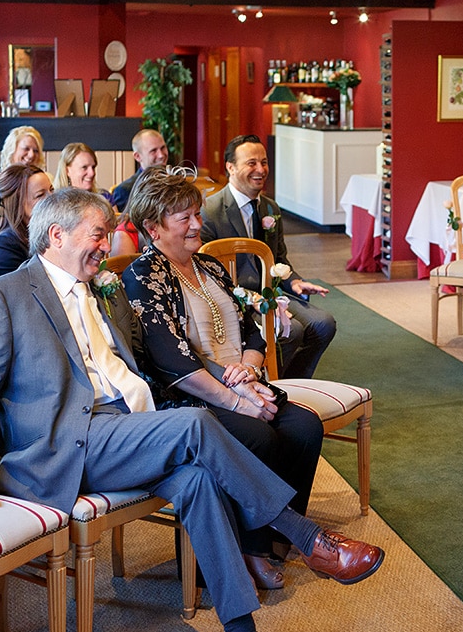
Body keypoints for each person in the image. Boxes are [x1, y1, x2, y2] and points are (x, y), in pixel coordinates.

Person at [0, 187, 384, 632]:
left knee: (197, 479)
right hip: (64, 446)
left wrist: (234, 379)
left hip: (127, 427)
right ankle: (309, 539)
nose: (106, 246)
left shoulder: (100, 290)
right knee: (194, 425)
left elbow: (145, 363)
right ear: (56, 235)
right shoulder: (4, 295)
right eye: (97, 234)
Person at [123, 165, 324, 590]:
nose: (198, 224)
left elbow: (252, 326)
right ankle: (246, 550)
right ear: (153, 228)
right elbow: (171, 364)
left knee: (305, 426)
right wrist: (237, 399)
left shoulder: (210, 266)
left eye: (197, 213)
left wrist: (250, 370)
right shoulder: (144, 276)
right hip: (189, 398)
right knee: (259, 433)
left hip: (242, 382)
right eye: (185, 218)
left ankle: (274, 537)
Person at [201, 134, 337, 378]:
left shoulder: (270, 208)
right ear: (230, 167)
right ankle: (270, 386)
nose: (261, 170)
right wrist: (250, 298)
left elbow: (279, 258)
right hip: (236, 299)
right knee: (291, 330)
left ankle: (294, 382)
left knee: (323, 324)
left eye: (264, 162)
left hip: (271, 292)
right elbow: (207, 274)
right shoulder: (210, 212)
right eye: (251, 163)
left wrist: (294, 281)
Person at [54, 141, 138, 255]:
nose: (91, 173)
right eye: (84, 168)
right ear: (67, 170)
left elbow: (116, 229)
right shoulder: (56, 203)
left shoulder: (104, 198)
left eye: (93, 167)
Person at [0, 163, 53, 277]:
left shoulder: (52, 232)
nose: (52, 198)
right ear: (18, 203)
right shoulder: (3, 248)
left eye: (51, 190)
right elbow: (17, 292)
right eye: (40, 195)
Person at [111, 128, 170, 212]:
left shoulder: (177, 183)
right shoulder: (125, 190)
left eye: (163, 148)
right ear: (137, 156)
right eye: (153, 151)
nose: (161, 155)